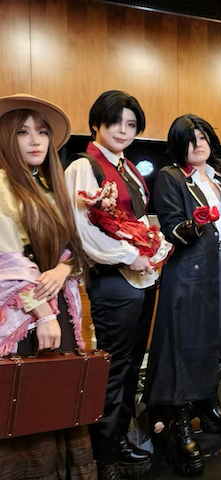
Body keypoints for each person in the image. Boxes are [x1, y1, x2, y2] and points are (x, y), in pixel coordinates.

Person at [65, 91, 170, 480]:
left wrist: (153, 247)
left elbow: (137, 220)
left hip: (142, 278)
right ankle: (103, 452)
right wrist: (129, 255)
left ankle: (119, 439)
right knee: (113, 368)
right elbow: (82, 232)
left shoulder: (127, 167)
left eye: (131, 124)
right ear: (96, 123)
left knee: (129, 365)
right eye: (115, 122)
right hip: (114, 279)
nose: (123, 131)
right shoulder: (84, 166)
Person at [0, 94, 95, 478]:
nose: (35, 140)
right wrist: (42, 314)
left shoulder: (46, 189)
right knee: (23, 403)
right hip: (24, 315)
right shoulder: (2, 185)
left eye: (41, 132)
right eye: (22, 132)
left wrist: (61, 268)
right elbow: (6, 261)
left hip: (55, 305)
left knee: (57, 399)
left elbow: (71, 248)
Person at [143, 114, 221, 475]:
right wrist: (196, 223)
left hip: (218, 267)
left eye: (203, 137)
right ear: (179, 145)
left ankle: (204, 399)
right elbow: (171, 230)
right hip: (187, 271)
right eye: (190, 139)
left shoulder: (220, 178)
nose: (199, 144)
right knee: (182, 342)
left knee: (215, 339)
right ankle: (178, 420)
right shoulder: (171, 176)